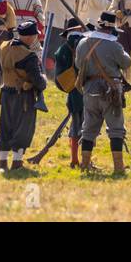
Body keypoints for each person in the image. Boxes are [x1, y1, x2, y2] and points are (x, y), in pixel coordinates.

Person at [74, 12, 131, 175]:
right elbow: (126, 63)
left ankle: (85, 164)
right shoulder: (114, 46)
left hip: (90, 89)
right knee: (116, 128)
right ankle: (119, 167)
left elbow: (78, 64)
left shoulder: (83, 43)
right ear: (111, 28)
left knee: (89, 129)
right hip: (110, 90)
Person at [0, 20, 47, 172]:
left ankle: (2, 162)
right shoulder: (28, 56)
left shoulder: (3, 47)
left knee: (5, 127)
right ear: (29, 37)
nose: (35, 38)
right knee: (23, 129)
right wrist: (43, 79)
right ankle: (17, 163)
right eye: (33, 36)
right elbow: (39, 82)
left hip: (6, 92)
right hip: (23, 96)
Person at [52, 16, 88, 168]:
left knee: (76, 127)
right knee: (88, 128)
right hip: (89, 91)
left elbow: (58, 80)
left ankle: (75, 159)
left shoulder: (62, 50)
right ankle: (84, 159)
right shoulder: (87, 45)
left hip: (73, 93)